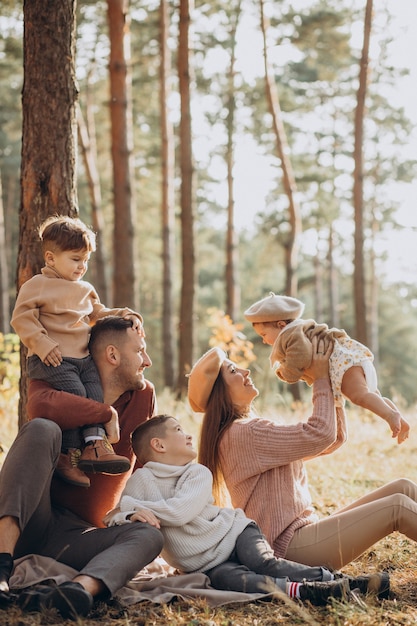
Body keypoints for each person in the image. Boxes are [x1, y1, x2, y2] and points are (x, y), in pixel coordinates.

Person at [105, 414, 389, 605]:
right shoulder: (140, 481)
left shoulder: (197, 474)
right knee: (234, 581)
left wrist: (134, 506)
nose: (189, 435)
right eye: (179, 430)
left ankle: (338, 580)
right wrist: (128, 513)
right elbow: (113, 517)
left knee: (264, 563)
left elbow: (180, 512)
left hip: (236, 532)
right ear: (159, 445)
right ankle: (308, 591)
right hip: (208, 563)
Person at [187, 339, 417, 575]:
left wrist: (331, 379)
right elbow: (320, 434)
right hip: (289, 548)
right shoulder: (243, 433)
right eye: (233, 370)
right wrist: (320, 380)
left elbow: (333, 438)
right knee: (397, 507)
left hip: (305, 534)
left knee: (403, 487)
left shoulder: (243, 431)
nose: (246, 371)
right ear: (220, 393)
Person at [0, 316, 163, 619]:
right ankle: (1, 566)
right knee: (42, 430)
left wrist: (132, 509)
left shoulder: (143, 396)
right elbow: (40, 408)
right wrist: (104, 413)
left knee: (149, 535)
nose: (148, 361)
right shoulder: (55, 376)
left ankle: (74, 592)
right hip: (31, 520)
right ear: (112, 355)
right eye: (140, 351)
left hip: (79, 536)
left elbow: (146, 468)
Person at [11, 215, 141, 488]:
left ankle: (95, 445)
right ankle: (67, 456)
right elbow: (22, 319)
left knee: (94, 393)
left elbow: (98, 315)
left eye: (85, 260)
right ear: (50, 258)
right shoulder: (37, 285)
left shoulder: (85, 289)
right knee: (77, 397)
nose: (82, 266)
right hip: (53, 359)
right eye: (75, 259)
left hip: (83, 360)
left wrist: (121, 313)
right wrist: (43, 344)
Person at [244, 292, 410, 445]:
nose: (264, 341)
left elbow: (300, 356)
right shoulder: (299, 329)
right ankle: (398, 418)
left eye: (263, 335)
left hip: (342, 363)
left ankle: (391, 415)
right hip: (347, 360)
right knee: (370, 395)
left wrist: (286, 372)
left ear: (280, 325)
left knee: (359, 396)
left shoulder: (291, 335)